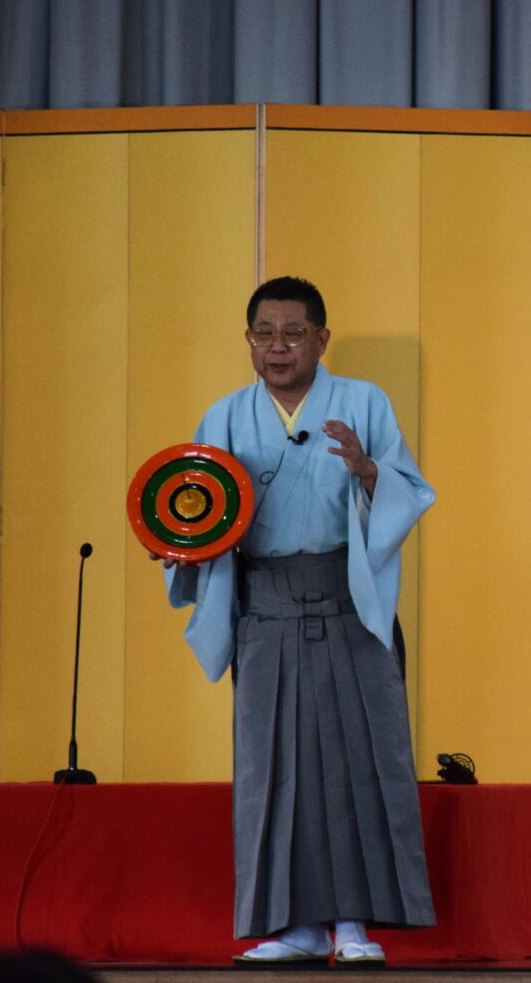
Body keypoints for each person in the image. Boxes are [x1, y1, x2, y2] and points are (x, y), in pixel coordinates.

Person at [158, 276, 436, 966]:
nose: (277, 346)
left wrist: (368, 470)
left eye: (293, 332)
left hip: (346, 599)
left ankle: (352, 924)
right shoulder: (226, 416)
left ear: (321, 338)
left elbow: (407, 491)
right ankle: (294, 925)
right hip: (268, 607)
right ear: (249, 340)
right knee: (272, 768)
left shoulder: (363, 402)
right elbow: (196, 503)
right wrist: (179, 540)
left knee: (359, 759)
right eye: (264, 333)